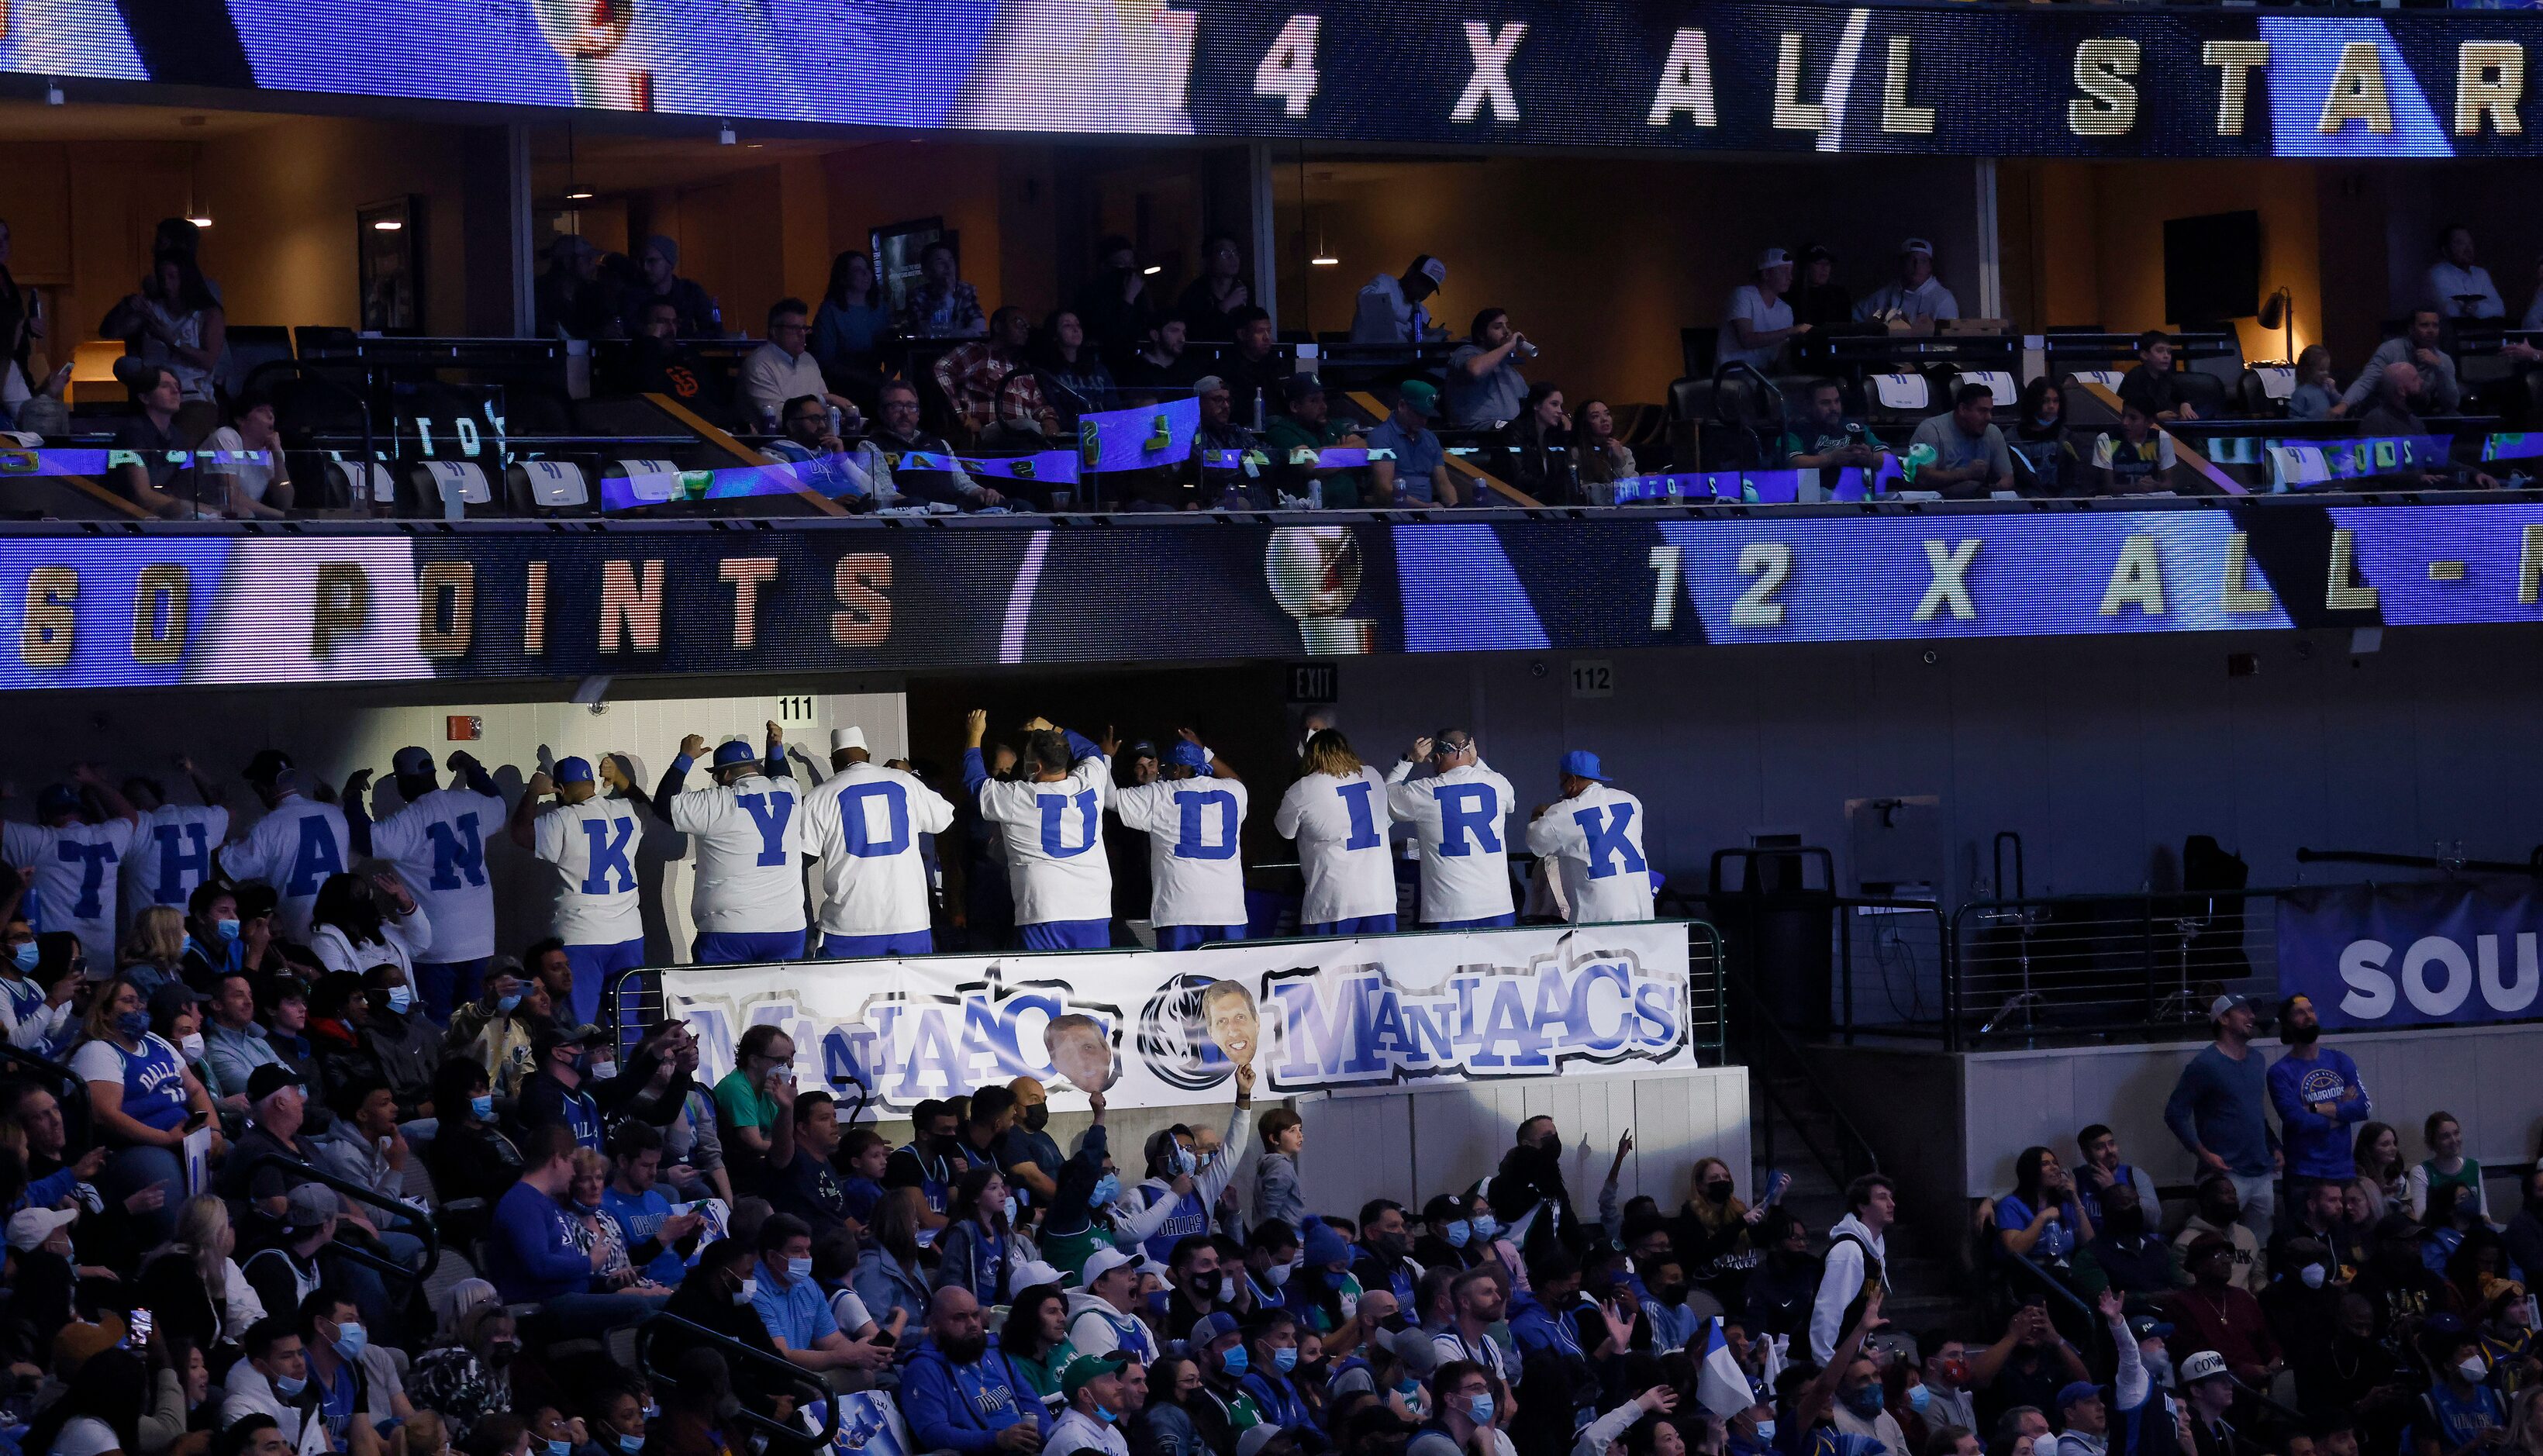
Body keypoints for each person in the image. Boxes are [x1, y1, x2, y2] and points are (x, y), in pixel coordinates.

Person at [343, 746, 504, 1017]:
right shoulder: (470, 801)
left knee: (438, 1028)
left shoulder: (409, 819)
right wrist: (472, 767)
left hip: (434, 943)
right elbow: (500, 803)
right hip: (480, 938)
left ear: (403, 781)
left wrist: (352, 797)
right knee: (478, 1026)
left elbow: (364, 839)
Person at [75, 971, 219, 1246]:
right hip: (132, 1146)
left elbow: (196, 1090)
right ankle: (172, 1259)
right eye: (128, 1002)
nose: (138, 1007)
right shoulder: (99, 1050)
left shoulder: (157, 1042)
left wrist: (216, 1132)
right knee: (163, 1174)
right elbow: (106, 1115)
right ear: (104, 1013)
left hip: (182, 1135)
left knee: (230, 1156)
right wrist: (164, 1139)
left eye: (139, 1002)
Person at [508, 754, 645, 1027]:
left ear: (559, 788)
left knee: (576, 1023)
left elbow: (520, 833)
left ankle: (580, 1071)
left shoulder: (562, 818)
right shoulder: (627, 810)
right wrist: (619, 779)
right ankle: (623, 1068)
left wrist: (533, 793)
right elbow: (647, 805)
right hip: (629, 933)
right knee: (626, 1023)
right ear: (592, 784)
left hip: (581, 934)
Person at [487, 1123, 662, 1335]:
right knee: (637, 1306)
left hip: (575, 1294)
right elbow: (540, 1265)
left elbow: (568, 1267)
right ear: (557, 1160)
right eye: (570, 1162)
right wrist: (590, 1263)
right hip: (546, 1304)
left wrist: (606, 1283)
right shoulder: (522, 1203)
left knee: (669, 1303)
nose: (573, 1171)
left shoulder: (549, 1203)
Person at [647, 727, 805, 964]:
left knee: (723, 999)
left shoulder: (719, 800)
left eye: (716, 776)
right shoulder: (790, 791)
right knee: (779, 999)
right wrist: (775, 749)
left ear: (726, 774)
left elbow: (663, 806)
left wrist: (685, 757)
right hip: (787, 928)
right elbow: (781, 775)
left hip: (729, 930)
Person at [963, 713, 1114, 951]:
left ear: (1038, 765)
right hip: (1094, 906)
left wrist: (974, 735)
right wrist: (1053, 727)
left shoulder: (1018, 796)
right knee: (1092, 982)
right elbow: (1092, 752)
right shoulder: (1091, 783)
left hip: (1044, 908)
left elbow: (975, 784)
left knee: (1047, 982)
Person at [800, 727, 955, 957]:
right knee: (909, 993)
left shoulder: (819, 796)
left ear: (833, 761)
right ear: (868, 756)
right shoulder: (904, 781)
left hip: (849, 924)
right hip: (909, 921)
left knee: (846, 992)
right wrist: (913, 775)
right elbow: (944, 818)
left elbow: (805, 856)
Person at [1109, 733, 1247, 951]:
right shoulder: (1236, 791)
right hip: (1228, 910)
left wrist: (1103, 758)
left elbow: (1110, 798)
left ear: (1174, 769)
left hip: (1180, 909)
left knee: (1182, 982)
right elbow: (1236, 779)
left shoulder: (1161, 793)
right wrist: (1205, 751)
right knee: (1231, 981)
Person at [2165, 993, 2282, 1245]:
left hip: (2261, 1170)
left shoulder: (2257, 1060)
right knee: (2219, 1240)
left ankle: (2255, 1282)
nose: (2252, 1016)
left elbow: (2252, 1112)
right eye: (2243, 1011)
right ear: (2224, 1019)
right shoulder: (2205, 1064)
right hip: (2226, 1172)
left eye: (2252, 1011)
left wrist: (2274, 1146)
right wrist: (2203, 1153)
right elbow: (2175, 1113)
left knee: (2259, 1244)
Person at [7, 766, 143, 970]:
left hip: (57, 961)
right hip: (101, 958)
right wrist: (94, 780)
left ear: (46, 815)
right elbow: (130, 816)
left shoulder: (40, 839)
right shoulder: (109, 836)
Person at [1385, 730, 1516, 930]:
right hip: (1498, 906)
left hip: (1447, 910)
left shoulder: (1424, 790)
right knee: (1497, 963)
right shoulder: (1499, 783)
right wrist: (1476, 759)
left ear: (1436, 758)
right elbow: (1509, 803)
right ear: (1470, 753)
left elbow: (1383, 798)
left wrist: (1407, 759)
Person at [901, 1285, 1048, 1451]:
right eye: (960, 1318)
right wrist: (997, 1439)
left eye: (975, 1315)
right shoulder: (923, 1368)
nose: (972, 1324)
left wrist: (1050, 1438)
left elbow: (1032, 1404)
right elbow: (934, 1434)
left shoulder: (993, 1351)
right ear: (934, 1324)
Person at [102, 250, 226, 438]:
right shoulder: (151, 310)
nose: (167, 284)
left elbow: (209, 360)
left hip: (193, 397)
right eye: (162, 278)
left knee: (179, 445)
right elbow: (110, 332)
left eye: (173, 277)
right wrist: (127, 304)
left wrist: (170, 340)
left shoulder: (208, 314)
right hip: (154, 398)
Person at [1526, 750, 1654, 925]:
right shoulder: (1631, 801)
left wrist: (1539, 813)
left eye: (1562, 782)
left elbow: (1536, 843)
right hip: (1641, 911)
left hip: (1598, 917)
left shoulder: (1563, 812)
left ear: (1572, 781)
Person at [2271, 992, 2372, 1189]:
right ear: (2287, 1024)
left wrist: (2316, 1108)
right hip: (2304, 1173)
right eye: (2300, 1013)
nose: (2308, 1016)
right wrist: (2342, 1109)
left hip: (2343, 1170)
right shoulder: (2279, 1072)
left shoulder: (2340, 1060)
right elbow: (2299, 1122)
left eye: (2310, 1010)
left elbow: (2363, 1109)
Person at [857, 378, 1006, 509]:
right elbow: (885, 495)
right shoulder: (871, 446)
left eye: (911, 406)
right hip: (912, 516)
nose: (905, 413)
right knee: (914, 503)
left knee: (1018, 505)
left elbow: (963, 484)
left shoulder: (939, 444)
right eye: (896, 406)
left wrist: (984, 492)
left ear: (918, 413)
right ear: (883, 411)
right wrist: (932, 507)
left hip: (954, 512)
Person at [936, 305, 1058, 442]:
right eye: (1019, 323)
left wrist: (1049, 421)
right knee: (1028, 428)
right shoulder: (977, 353)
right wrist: (961, 415)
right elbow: (941, 370)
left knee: (1071, 441)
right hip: (988, 431)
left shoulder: (1023, 368)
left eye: (1027, 326)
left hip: (1028, 432)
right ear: (998, 327)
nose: (1025, 329)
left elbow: (1039, 405)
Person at [1810, 1174, 1895, 1365]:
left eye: (1891, 1197)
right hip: (1820, 1364)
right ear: (1862, 1206)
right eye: (1882, 1197)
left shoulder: (1873, 1250)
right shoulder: (1849, 1251)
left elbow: (1859, 1312)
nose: (1892, 1204)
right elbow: (1827, 1313)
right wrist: (1828, 1366)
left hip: (1845, 1357)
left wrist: (1866, 1347)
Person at [738, 298, 861, 429]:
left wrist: (838, 415)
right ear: (774, 331)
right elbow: (776, 418)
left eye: (804, 328)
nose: (802, 334)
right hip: (772, 444)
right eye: (794, 328)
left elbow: (824, 405)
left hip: (814, 440)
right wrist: (825, 400)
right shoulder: (759, 365)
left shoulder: (808, 360)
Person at [108, 361, 201, 517]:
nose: (175, 391)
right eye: (165, 386)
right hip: (122, 515)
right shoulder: (132, 434)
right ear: (144, 397)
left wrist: (214, 512)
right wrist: (189, 509)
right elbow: (142, 495)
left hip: (160, 512)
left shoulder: (178, 436)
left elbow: (180, 493)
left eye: (176, 385)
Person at [2335, 310, 2464, 417]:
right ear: (2411, 329)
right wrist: (2344, 405)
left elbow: (2452, 404)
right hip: (2386, 411)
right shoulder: (2390, 349)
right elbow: (2366, 381)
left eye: (2435, 326)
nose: (2431, 330)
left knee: (2455, 416)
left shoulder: (2443, 360)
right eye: (2424, 325)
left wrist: (2440, 368)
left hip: (2422, 415)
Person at [306, 871, 429, 984]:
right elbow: (341, 984)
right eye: (358, 895)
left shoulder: (382, 930)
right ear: (339, 902)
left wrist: (406, 903)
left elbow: (420, 944)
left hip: (405, 1006)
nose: (365, 900)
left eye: (367, 893)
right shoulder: (326, 939)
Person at [1266, 375, 1368, 509]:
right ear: (1295, 406)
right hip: (1307, 518)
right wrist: (1348, 452)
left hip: (1351, 512)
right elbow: (1311, 463)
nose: (1324, 407)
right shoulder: (1281, 431)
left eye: (1323, 400)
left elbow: (1366, 450)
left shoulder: (1333, 425)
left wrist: (1329, 456)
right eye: (1314, 401)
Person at [198, 389, 296, 518]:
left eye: (271, 411)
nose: (270, 416)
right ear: (240, 420)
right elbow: (232, 498)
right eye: (261, 410)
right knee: (246, 514)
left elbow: (285, 503)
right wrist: (281, 516)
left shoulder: (272, 450)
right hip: (205, 514)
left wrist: (278, 458)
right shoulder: (226, 437)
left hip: (244, 519)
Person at [1996, 1145, 2092, 1275]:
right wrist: (2041, 1219)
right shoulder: (2011, 1205)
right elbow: (2015, 1250)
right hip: (2031, 1275)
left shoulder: (2063, 1203)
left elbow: (2089, 1242)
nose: (2055, 1168)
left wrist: (2075, 1198)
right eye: (2045, 1164)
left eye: (2055, 1163)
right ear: (2031, 1171)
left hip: (2067, 1271)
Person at [1906, 385, 2013, 497]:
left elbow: (2007, 477)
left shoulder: (1993, 432)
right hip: (1937, 506)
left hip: (1980, 503)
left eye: (1990, 411)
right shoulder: (1931, 430)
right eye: (1982, 411)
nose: (1989, 417)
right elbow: (1922, 477)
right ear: (1962, 409)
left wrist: (1995, 490)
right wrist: (1965, 474)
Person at [2414, 1328, 2507, 1456]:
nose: (2476, 1361)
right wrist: (2475, 1444)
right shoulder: (2429, 1403)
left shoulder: (2496, 1397)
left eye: (2477, 1355)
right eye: (2467, 1355)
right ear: (2448, 1365)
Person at [1719, 250, 1810, 375]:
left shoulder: (1785, 309)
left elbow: (1781, 357)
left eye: (1791, 271)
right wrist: (1790, 332)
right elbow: (1747, 340)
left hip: (1764, 375)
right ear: (1766, 274)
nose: (1790, 277)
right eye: (1784, 271)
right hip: (1736, 373)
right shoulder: (1743, 295)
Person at [810, 250, 892, 389]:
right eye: (857, 270)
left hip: (877, 380)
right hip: (842, 384)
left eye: (867, 269)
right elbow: (825, 360)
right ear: (843, 277)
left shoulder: (881, 308)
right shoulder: (830, 311)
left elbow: (893, 349)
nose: (866, 274)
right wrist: (868, 380)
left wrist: (886, 379)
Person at [1367, 381, 1455, 505]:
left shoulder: (1430, 438)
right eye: (1419, 414)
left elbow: (1443, 483)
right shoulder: (1381, 436)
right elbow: (1384, 489)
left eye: (1426, 416)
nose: (1423, 421)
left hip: (1428, 515)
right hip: (1395, 516)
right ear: (1402, 406)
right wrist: (1425, 507)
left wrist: (1454, 507)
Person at [1447, 309, 1533, 429]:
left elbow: (1531, 405)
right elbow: (1475, 370)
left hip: (1509, 434)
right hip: (1476, 433)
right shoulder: (1465, 353)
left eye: (1507, 326)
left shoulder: (1511, 372)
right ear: (1481, 335)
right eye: (1498, 328)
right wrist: (1509, 345)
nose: (1507, 332)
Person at [618, 236, 716, 339]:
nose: (645, 268)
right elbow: (626, 330)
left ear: (669, 262)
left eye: (652, 261)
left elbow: (712, 330)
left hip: (683, 354)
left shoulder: (690, 291)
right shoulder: (632, 294)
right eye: (642, 261)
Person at [2408, 1112, 2492, 1223]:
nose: (2454, 1140)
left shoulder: (2473, 1166)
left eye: (2456, 1133)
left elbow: (2483, 1213)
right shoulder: (2421, 1172)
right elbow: (2422, 1219)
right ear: (2433, 1142)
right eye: (2445, 1136)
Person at [1074, 235, 1153, 352]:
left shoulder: (1138, 289)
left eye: (1132, 263)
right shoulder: (1092, 295)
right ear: (1105, 266)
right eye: (1121, 264)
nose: (1129, 269)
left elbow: (1148, 323)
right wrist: (1128, 300)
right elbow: (1111, 335)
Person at [2073, 1125, 2162, 1230]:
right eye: (2100, 1147)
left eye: (2111, 1144)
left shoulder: (2134, 1174)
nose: (2110, 1151)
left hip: (2131, 1242)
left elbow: (2154, 1220)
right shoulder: (2077, 1177)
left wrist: (2114, 1190)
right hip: (2095, 1243)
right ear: (2086, 1154)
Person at [1037, 309, 1116, 423]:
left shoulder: (1098, 369)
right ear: (1054, 334)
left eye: (1078, 325)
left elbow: (1114, 404)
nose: (1076, 329)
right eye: (1067, 325)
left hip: (1107, 428)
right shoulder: (1047, 372)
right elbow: (1055, 410)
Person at [1855, 239, 1959, 325]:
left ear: (1930, 267)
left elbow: (1948, 345)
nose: (1917, 266)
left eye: (1923, 261)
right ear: (1902, 263)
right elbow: (1855, 317)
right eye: (1911, 260)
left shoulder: (1943, 300)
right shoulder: (1886, 294)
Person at [1049, 1350, 1132, 1456]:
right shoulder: (1074, 1440)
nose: (1120, 1386)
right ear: (1085, 1395)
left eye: (1115, 1378)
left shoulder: (1112, 1433)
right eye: (1109, 1380)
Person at [534, 233, 616, 341]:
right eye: (587, 259)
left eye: (593, 259)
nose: (593, 265)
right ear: (567, 262)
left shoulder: (595, 293)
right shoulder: (540, 293)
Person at [899, 240, 986, 340]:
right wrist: (947, 296)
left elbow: (979, 327)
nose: (948, 267)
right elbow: (926, 334)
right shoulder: (917, 296)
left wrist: (951, 335)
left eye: (950, 260)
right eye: (940, 262)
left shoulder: (966, 289)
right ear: (926, 271)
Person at [2089, 402, 2179, 495]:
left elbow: (2169, 484)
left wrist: (2155, 485)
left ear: (2149, 422)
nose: (2125, 422)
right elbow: (2107, 488)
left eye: (2133, 418)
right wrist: (2135, 488)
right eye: (2123, 415)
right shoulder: (2106, 439)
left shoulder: (2161, 438)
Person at [1353, 255, 1447, 345]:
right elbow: (1366, 301)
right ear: (1411, 271)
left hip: (1400, 360)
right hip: (1366, 359)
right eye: (1423, 283)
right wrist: (1410, 320)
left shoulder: (1424, 313)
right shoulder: (1386, 283)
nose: (1425, 291)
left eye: (1430, 289)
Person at [1179, 233, 1253, 342]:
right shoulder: (1195, 294)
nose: (1233, 258)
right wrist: (1225, 307)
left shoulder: (1245, 289)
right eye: (1225, 253)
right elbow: (1195, 334)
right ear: (1209, 259)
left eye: (1236, 252)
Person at [2426, 225, 2507, 319]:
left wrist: (2476, 307)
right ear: (2445, 250)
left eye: (2470, 243)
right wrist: (2480, 307)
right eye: (2460, 243)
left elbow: (2500, 310)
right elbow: (2450, 310)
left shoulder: (2481, 274)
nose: (2468, 248)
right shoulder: (2438, 274)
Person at [2118, 331, 2199, 424]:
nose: (2166, 356)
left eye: (2169, 352)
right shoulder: (2135, 377)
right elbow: (2129, 413)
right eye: (2160, 351)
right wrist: (2155, 417)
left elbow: (2184, 395)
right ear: (2144, 355)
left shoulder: (2166, 375)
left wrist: (2186, 404)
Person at [1569, 399, 1639, 492]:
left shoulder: (1624, 451)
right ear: (1584, 423)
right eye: (1595, 416)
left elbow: (1633, 487)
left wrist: (1621, 460)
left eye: (1607, 414)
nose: (1604, 419)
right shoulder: (1576, 453)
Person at [1118, 315, 1197, 394]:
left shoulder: (1187, 369)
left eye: (1184, 333)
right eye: (1174, 331)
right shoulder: (1136, 369)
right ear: (1155, 335)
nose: (1182, 339)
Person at [1793, 245, 1853, 329]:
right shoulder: (1791, 295)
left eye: (1827, 263)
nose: (1824, 268)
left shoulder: (1839, 296)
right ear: (1805, 266)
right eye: (1819, 263)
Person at [2287, 346, 2338, 422]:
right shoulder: (2300, 393)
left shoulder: (2326, 390)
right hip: (2309, 432)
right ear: (2308, 370)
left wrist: (2333, 391)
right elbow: (2293, 418)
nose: (2326, 373)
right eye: (2321, 369)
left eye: (2327, 369)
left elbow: (2340, 405)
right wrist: (2310, 423)